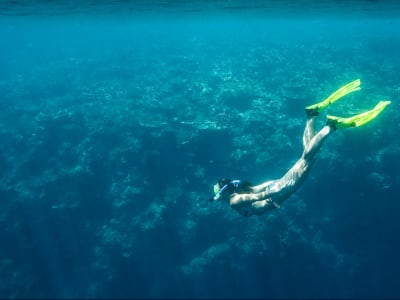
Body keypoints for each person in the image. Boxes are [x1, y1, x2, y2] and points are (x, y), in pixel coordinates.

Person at [210, 79, 391, 217]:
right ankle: (311, 116)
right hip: (280, 185)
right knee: (306, 157)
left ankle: (330, 126)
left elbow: (257, 197)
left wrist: (282, 187)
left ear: (225, 193)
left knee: (306, 158)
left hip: (283, 187)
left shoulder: (235, 202)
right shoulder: (242, 192)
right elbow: (261, 190)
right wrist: (278, 185)